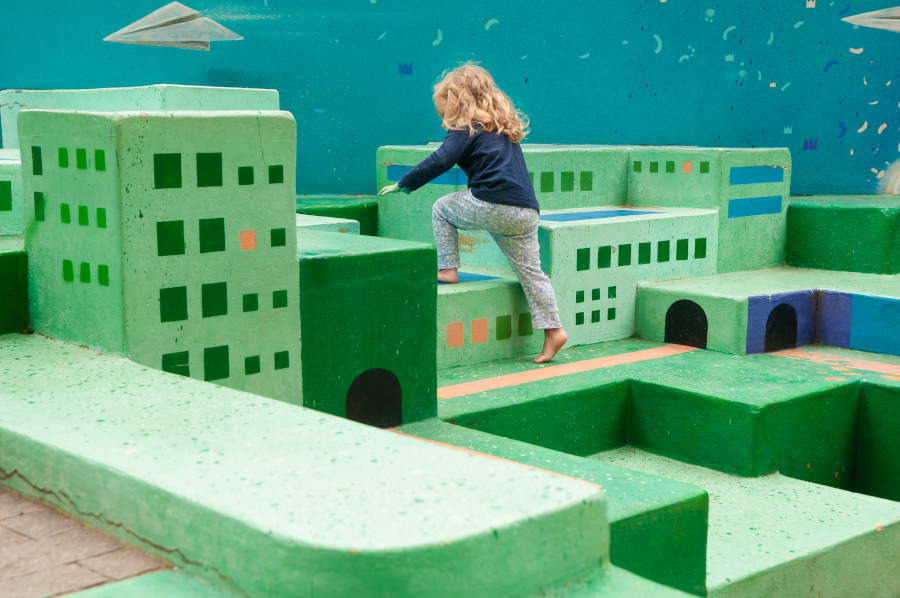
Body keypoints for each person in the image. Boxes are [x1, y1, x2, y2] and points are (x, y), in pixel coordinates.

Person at [379, 62, 567, 363]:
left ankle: (447, 268)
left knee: (442, 208)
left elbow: (441, 159)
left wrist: (404, 183)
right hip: (526, 212)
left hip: (491, 203)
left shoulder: (464, 126)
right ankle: (554, 331)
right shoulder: (500, 128)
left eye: (445, 115)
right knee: (532, 274)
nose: (444, 124)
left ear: (458, 104)